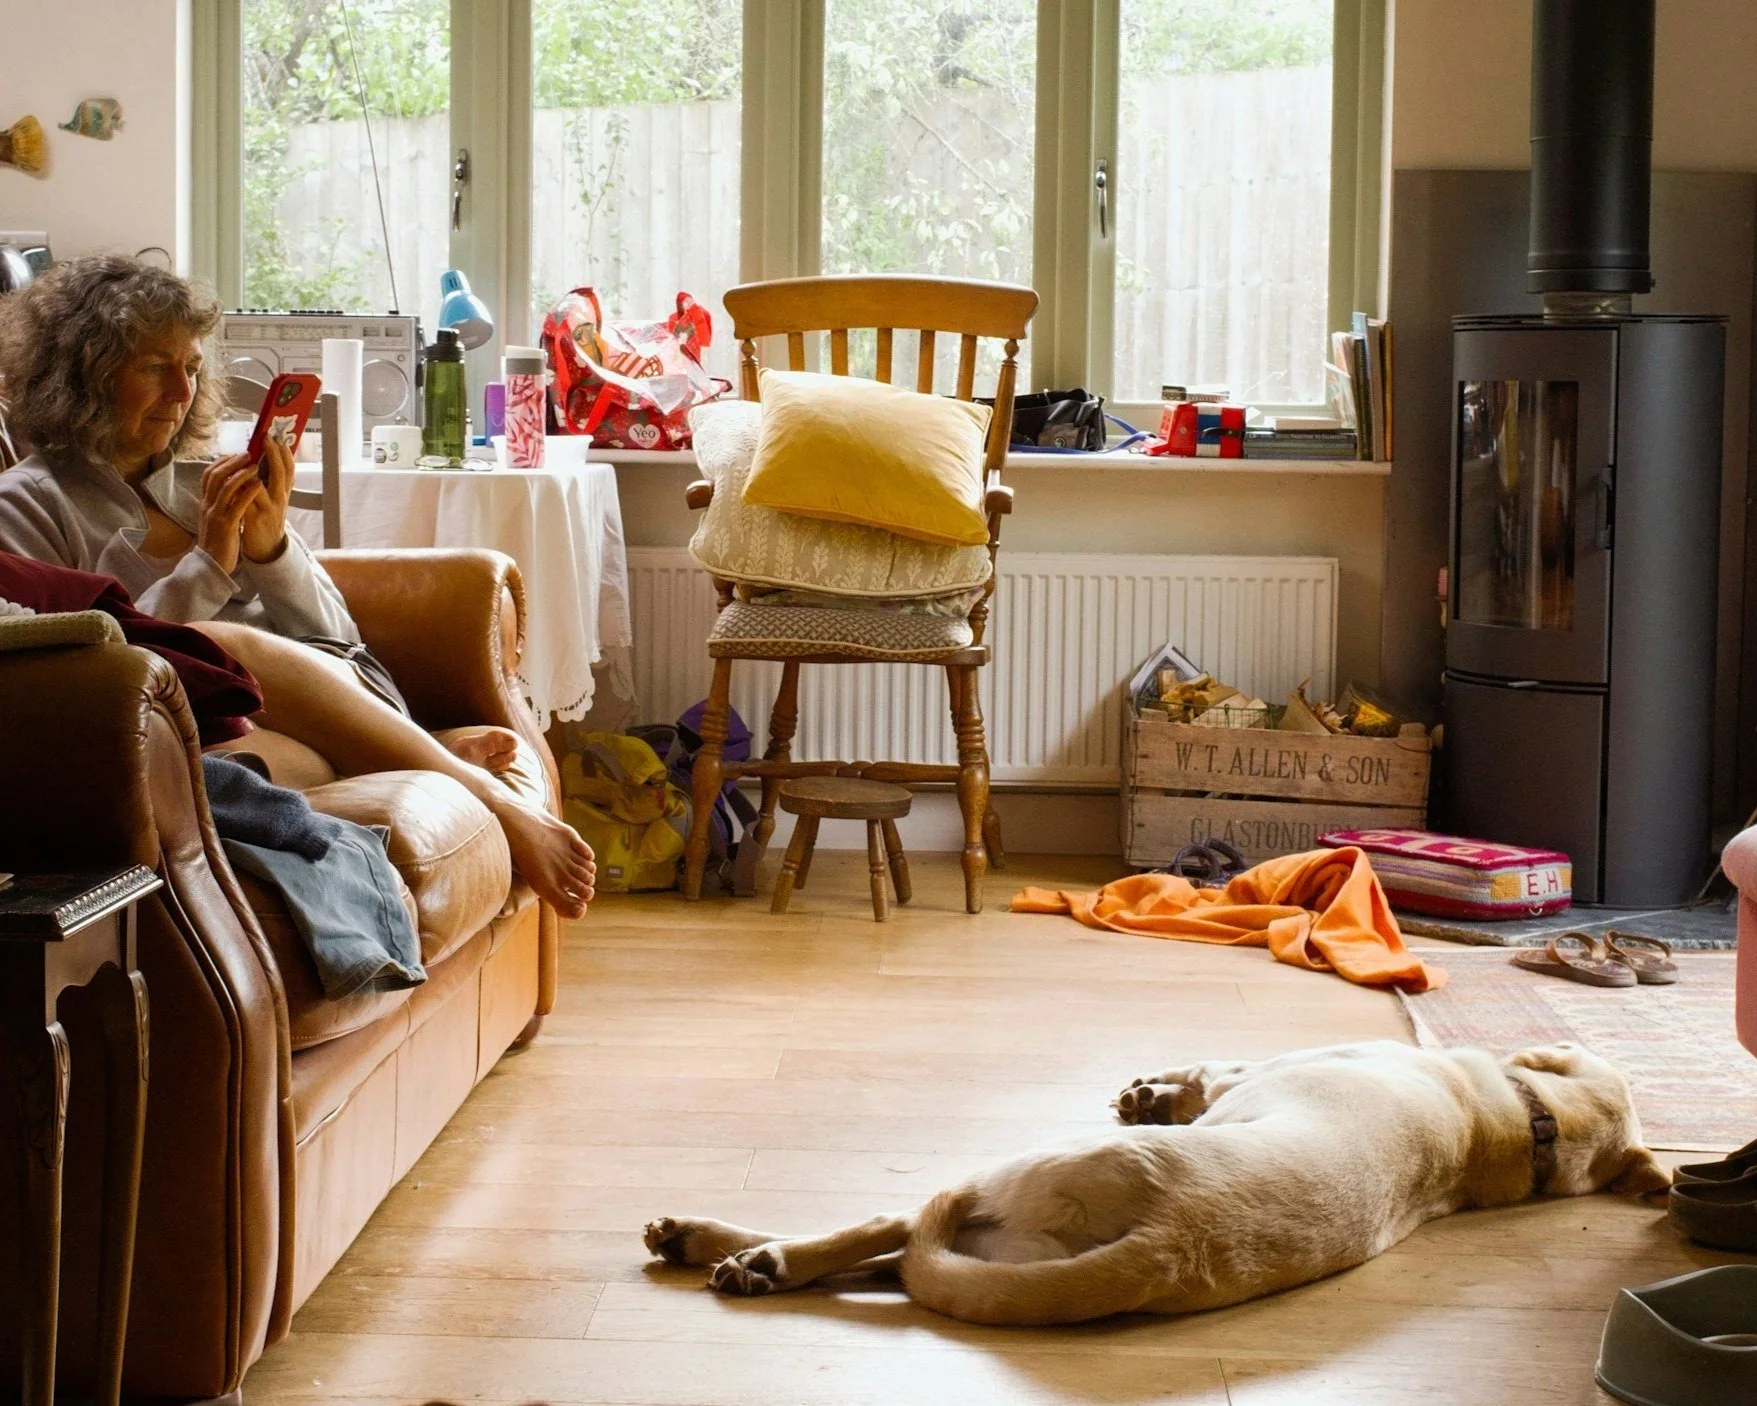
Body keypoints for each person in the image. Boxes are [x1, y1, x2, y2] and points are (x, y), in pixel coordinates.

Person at [0, 256, 594, 917]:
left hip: (321, 688)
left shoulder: (205, 481)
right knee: (216, 698)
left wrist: (272, 549)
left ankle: (442, 771)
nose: (181, 393)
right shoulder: (24, 507)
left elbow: (338, 639)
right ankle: (426, 757)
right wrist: (208, 565)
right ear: (84, 373)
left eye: (192, 369)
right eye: (154, 367)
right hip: (193, 730)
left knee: (232, 659)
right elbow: (100, 669)